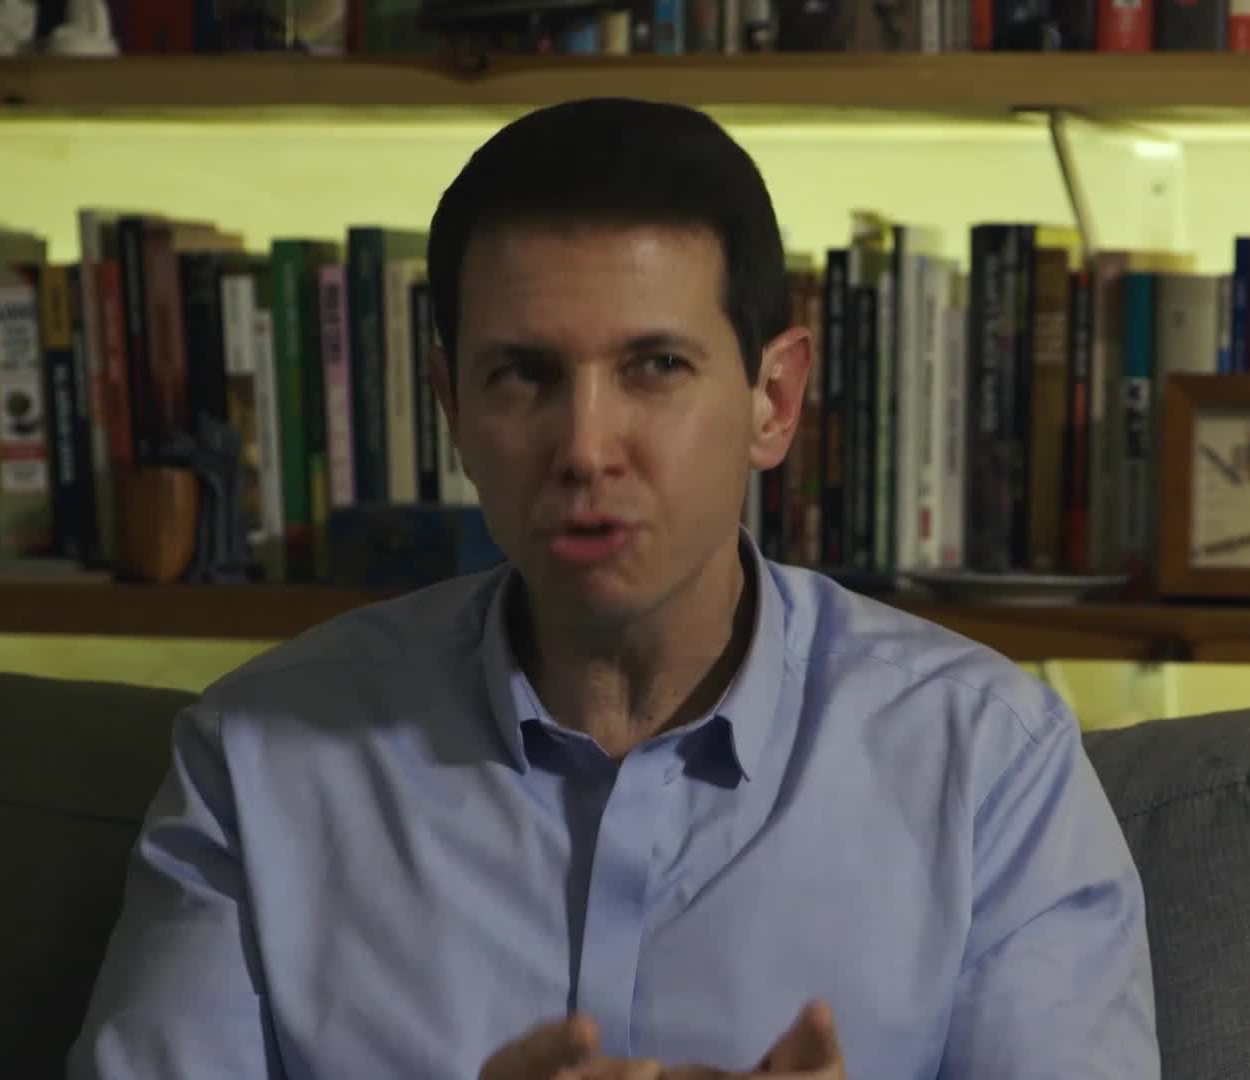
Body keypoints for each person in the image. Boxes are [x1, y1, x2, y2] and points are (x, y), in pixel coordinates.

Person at [68, 97, 1158, 1080]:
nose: (586, 447)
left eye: (655, 367)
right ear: (451, 406)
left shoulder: (991, 769)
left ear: (773, 398)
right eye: (524, 375)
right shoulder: (256, 765)